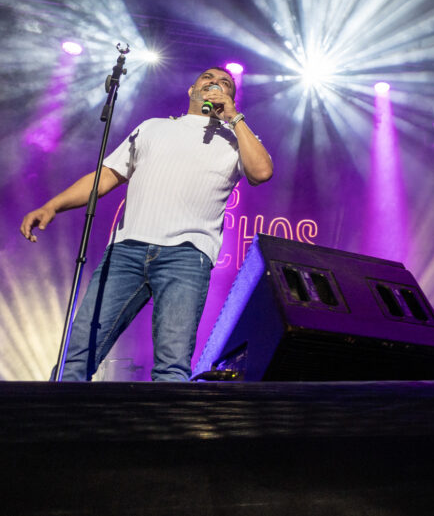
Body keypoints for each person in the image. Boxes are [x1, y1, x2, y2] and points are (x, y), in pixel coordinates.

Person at [20, 67, 273, 381]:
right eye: (208, 78)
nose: (215, 83)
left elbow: (261, 172)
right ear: (192, 88)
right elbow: (105, 177)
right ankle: (55, 426)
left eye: (225, 83)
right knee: (78, 354)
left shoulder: (236, 138)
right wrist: (52, 206)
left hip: (187, 256)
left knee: (172, 364)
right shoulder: (152, 128)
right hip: (126, 252)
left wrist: (234, 118)